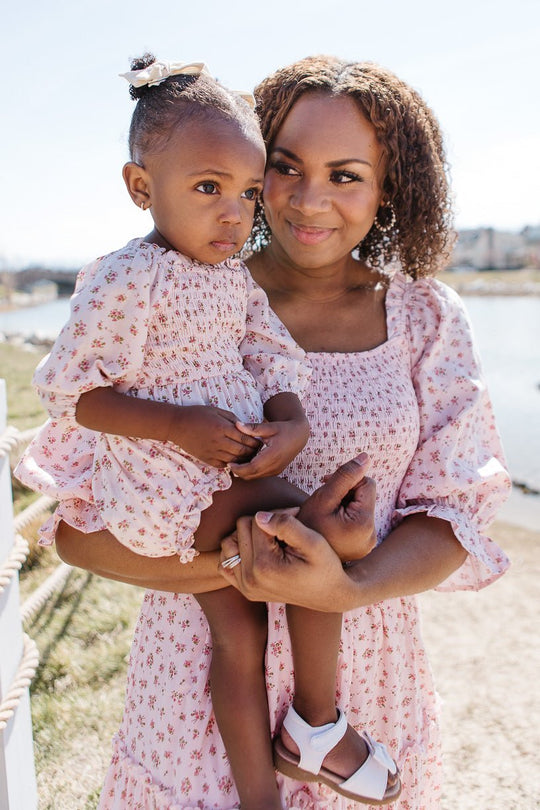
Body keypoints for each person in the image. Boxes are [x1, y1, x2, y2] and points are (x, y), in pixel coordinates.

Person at [46, 55, 510, 809]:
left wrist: (342, 584)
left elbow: (456, 513)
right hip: (197, 668)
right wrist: (244, 571)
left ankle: (315, 728)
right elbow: (74, 530)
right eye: (288, 166)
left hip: (363, 672)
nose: (309, 199)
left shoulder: (428, 318)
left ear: (391, 186)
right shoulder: (178, 290)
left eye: (347, 174)